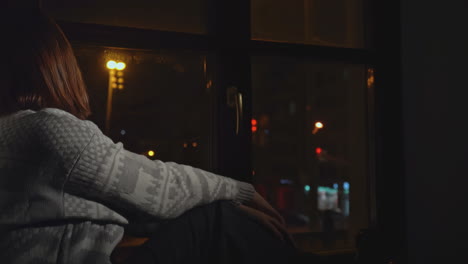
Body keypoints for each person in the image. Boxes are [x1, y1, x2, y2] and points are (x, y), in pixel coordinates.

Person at [0, 8, 297, 264]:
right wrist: (241, 191)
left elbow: (132, 210)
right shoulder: (45, 130)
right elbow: (159, 190)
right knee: (218, 222)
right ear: (52, 66)